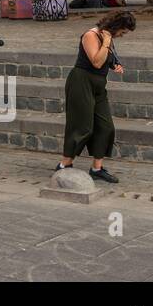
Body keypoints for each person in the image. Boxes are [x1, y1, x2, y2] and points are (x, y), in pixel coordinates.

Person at [57, 10, 133, 183]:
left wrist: (115, 65)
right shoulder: (91, 35)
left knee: (106, 126)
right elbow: (96, 61)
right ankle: (64, 164)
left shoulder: (109, 38)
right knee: (81, 126)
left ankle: (96, 168)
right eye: (123, 31)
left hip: (99, 86)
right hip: (81, 82)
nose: (123, 34)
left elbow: (107, 59)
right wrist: (106, 41)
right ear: (115, 27)